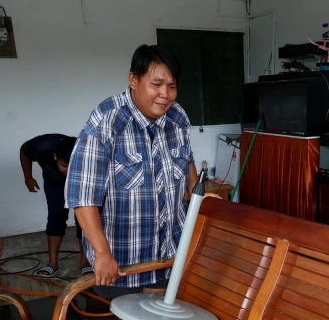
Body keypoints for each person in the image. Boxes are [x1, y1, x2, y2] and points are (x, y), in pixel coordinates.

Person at [66, 45, 197, 299]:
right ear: (133, 80)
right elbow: (83, 197)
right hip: (121, 261)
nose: (165, 95)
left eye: (171, 86)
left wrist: (196, 189)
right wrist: (102, 253)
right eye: (156, 84)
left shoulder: (177, 118)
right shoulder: (107, 121)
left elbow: (186, 159)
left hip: (168, 254)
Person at [19, 133, 89, 277]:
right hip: (54, 180)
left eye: (73, 166)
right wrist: (28, 177)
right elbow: (24, 151)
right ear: (55, 156)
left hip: (80, 181)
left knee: (85, 220)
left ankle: (85, 263)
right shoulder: (42, 147)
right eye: (64, 166)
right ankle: (52, 264)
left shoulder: (87, 150)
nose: (68, 171)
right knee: (56, 216)